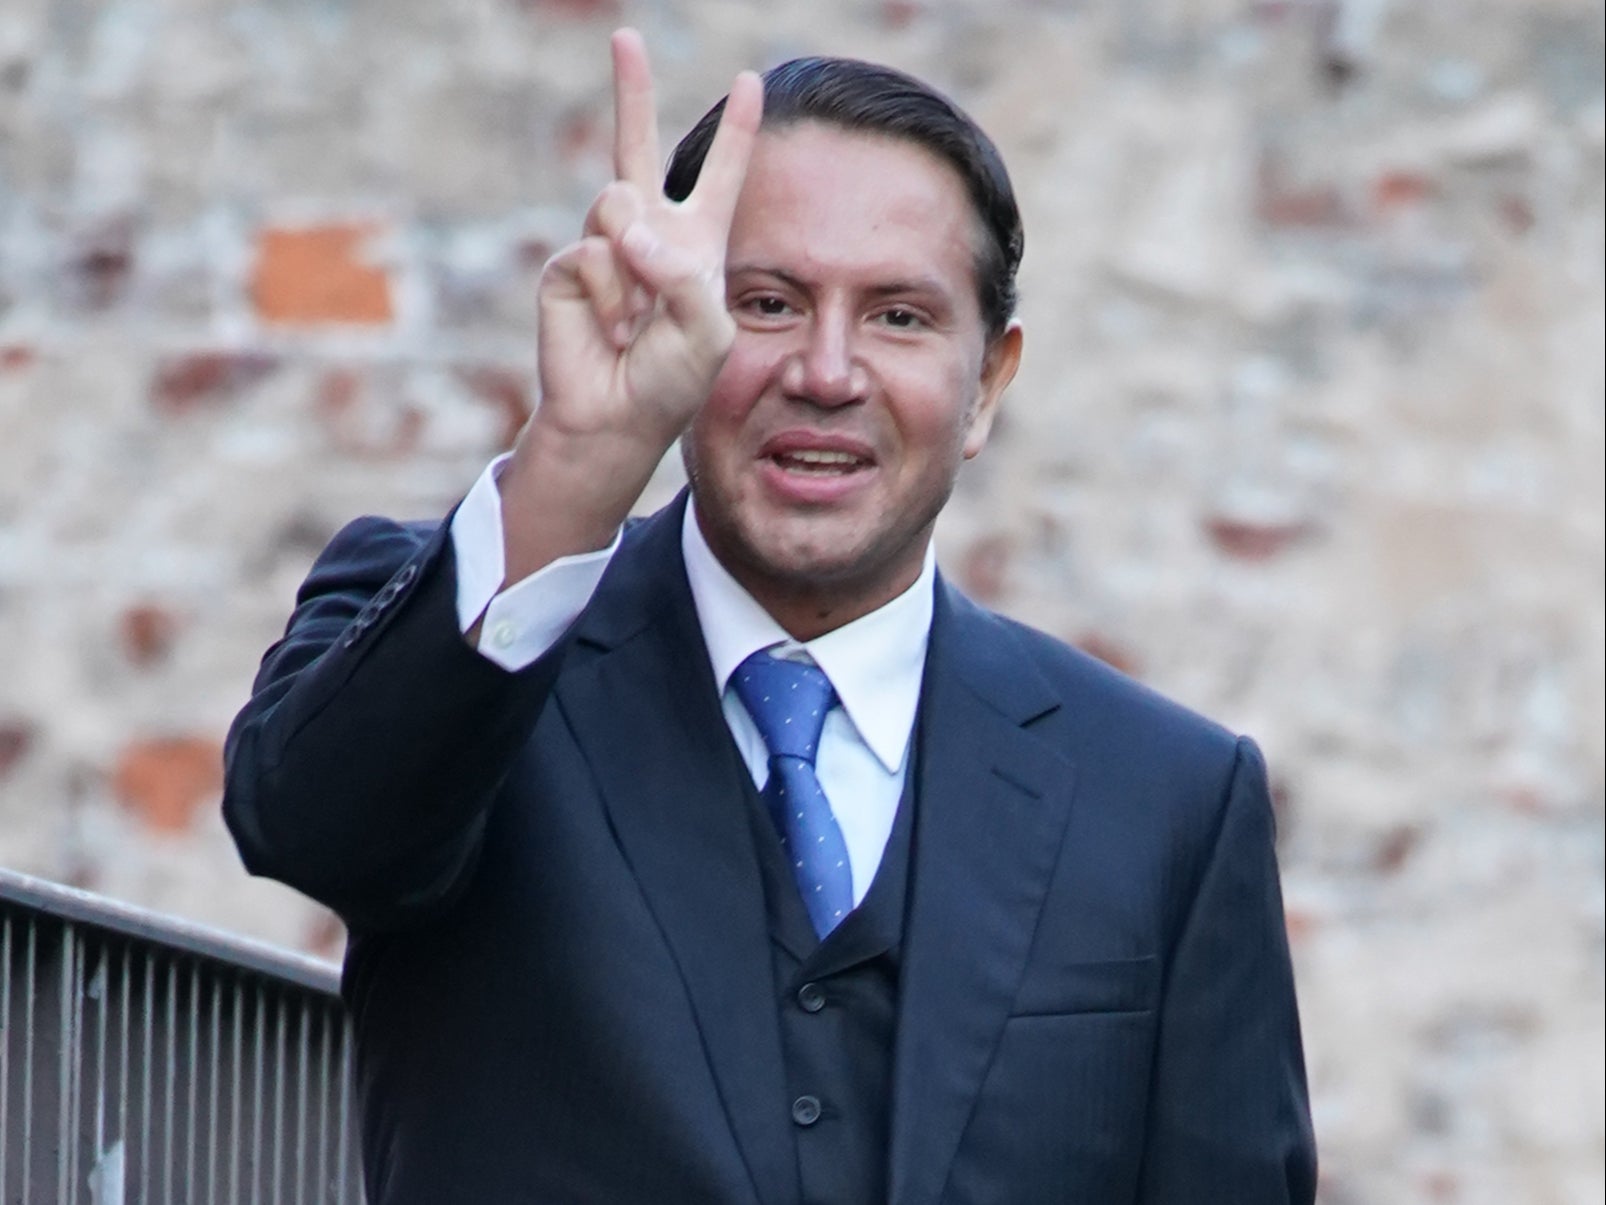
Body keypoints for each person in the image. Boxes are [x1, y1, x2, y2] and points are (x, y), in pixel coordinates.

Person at [223, 28, 1316, 1205]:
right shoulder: (479, 648)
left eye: (899, 315)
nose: (828, 371)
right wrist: (579, 459)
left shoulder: (1165, 801)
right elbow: (311, 828)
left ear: (988, 382)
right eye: (766, 302)